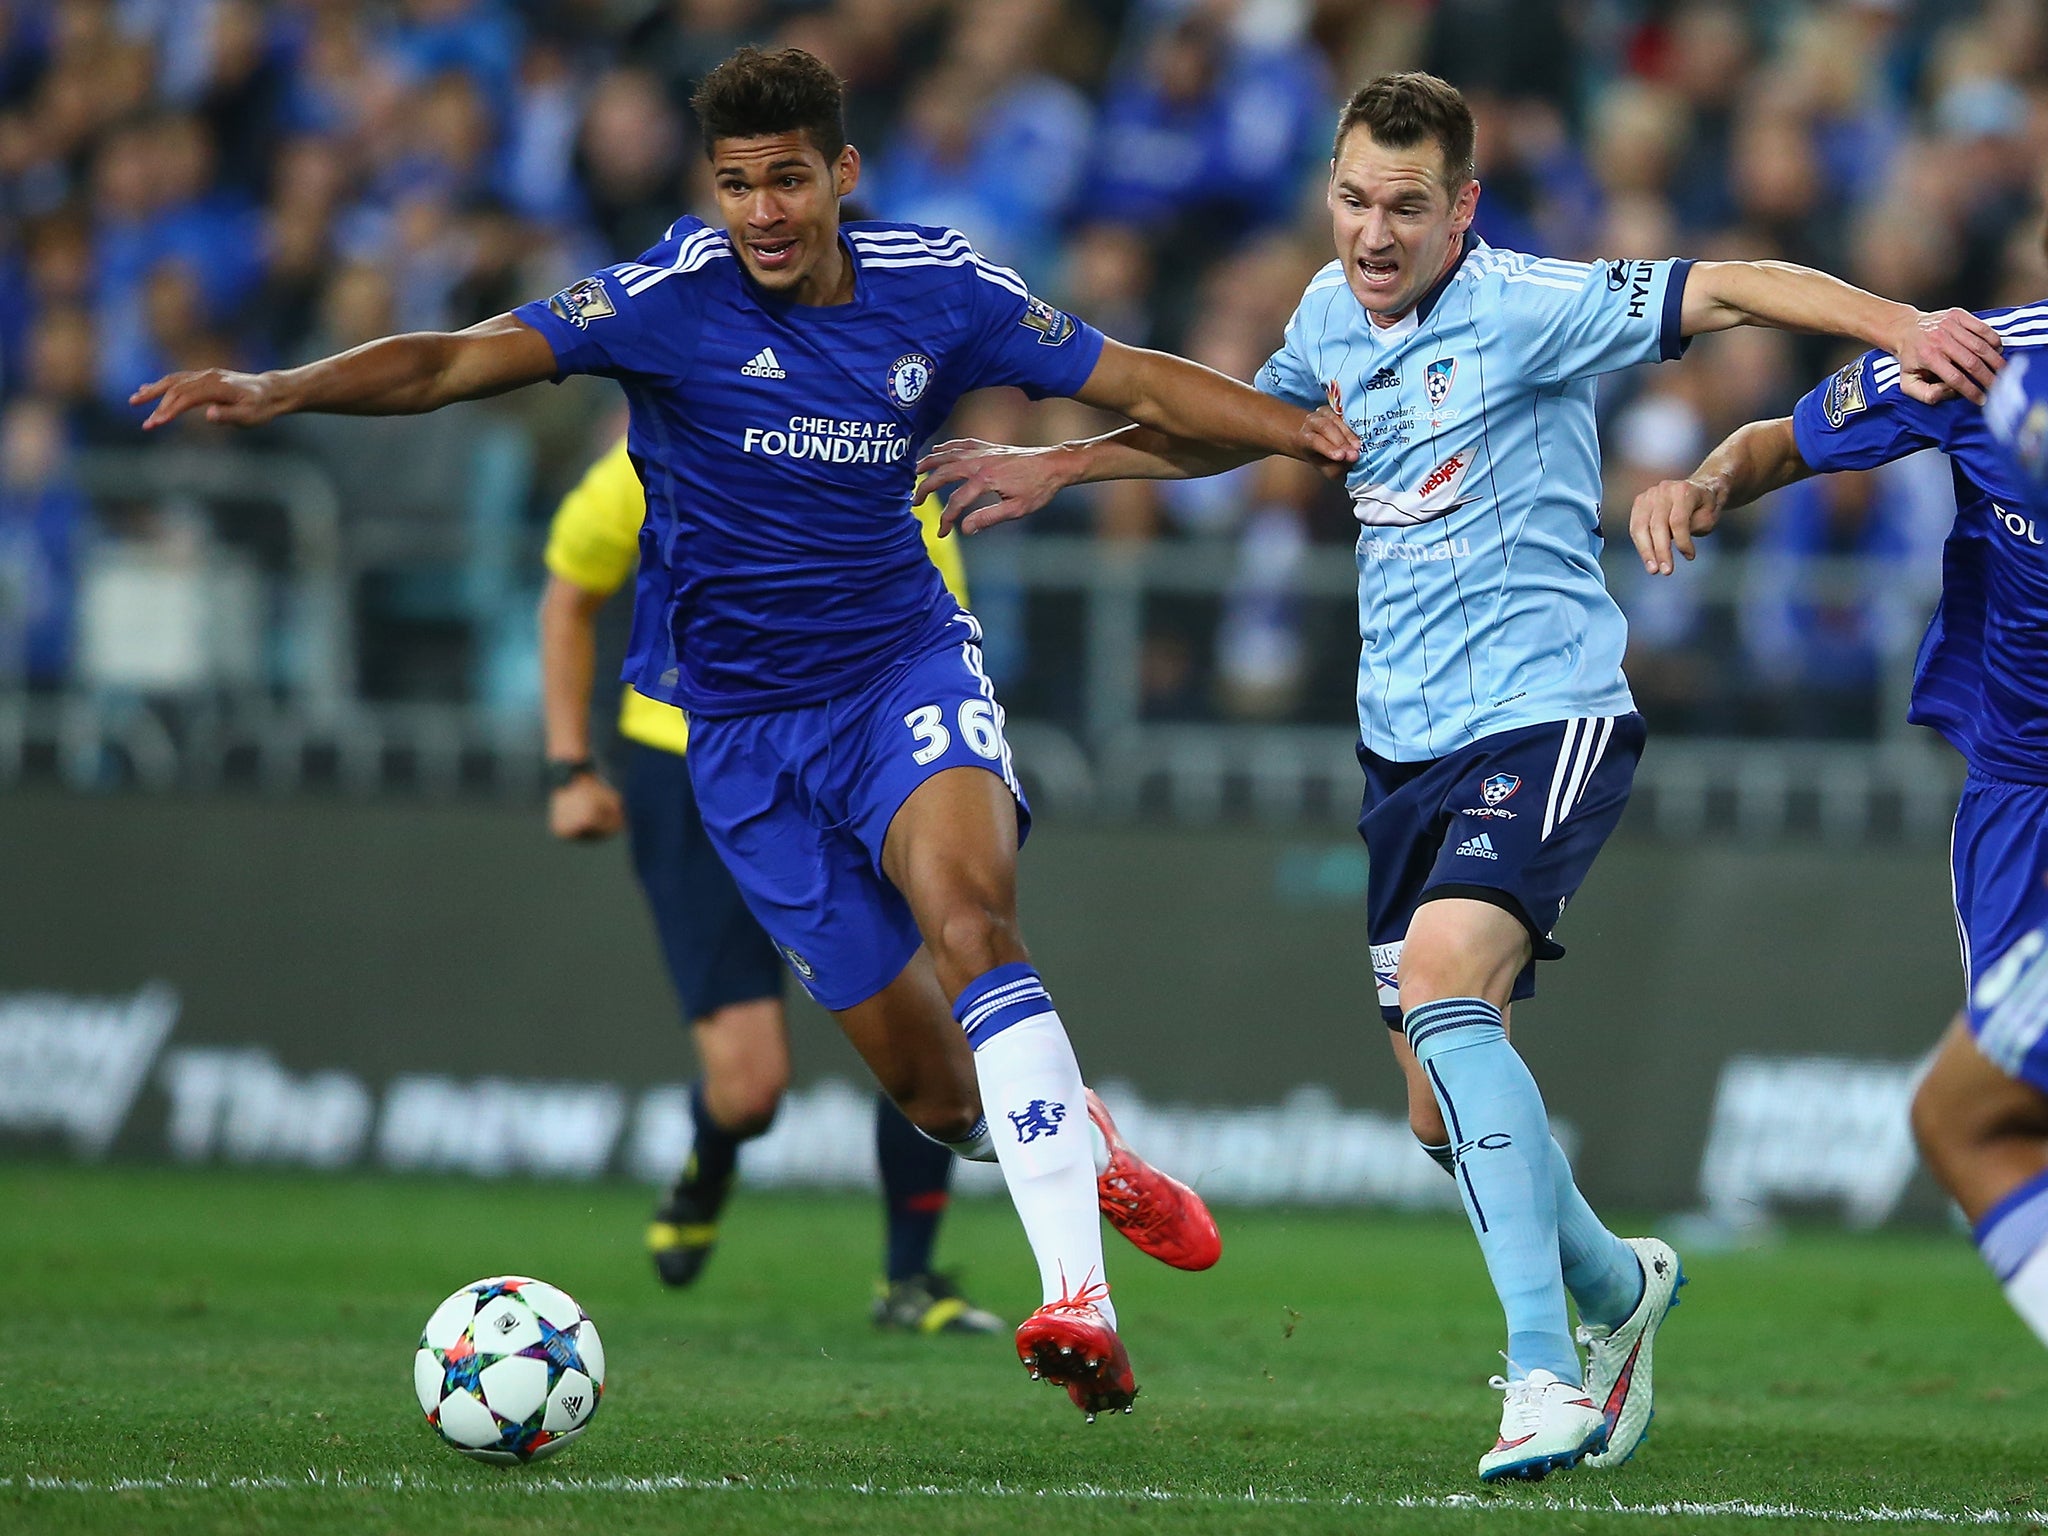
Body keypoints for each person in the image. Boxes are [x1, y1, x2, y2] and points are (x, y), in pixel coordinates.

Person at [132, 45, 1357, 1419]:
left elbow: (1131, 375)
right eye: (735, 186)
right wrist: (286, 386)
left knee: (971, 925)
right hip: (740, 740)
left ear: (840, 175)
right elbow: (456, 363)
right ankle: (1091, 1150)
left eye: (786, 179)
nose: (762, 212)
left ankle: (1075, 1293)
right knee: (937, 1097)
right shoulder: (668, 298)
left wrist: (1310, 434)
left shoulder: (939, 286)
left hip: (901, 673)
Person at [917, 71, 2000, 1478]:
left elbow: (1732, 285)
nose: (1374, 232)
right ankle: (1618, 1285)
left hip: (1545, 718)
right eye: (1355, 199)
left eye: (1406, 208)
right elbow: (1237, 425)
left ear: (1461, 210)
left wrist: (1902, 321)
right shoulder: (1323, 309)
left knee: (1442, 988)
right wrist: (1067, 464)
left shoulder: (1530, 304)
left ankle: (1547, 1374)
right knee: (1437, 1104)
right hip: (1402, 751)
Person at [1630, 297, 2048, 1352]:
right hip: (2020, 801)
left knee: (1965, 1118)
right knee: (1994, 1110)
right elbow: (1776, 443)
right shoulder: (1976, 362)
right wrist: (1704, 485)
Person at [540, 435, 999, 1334]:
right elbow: (569, 590)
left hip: (855, 763)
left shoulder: (885, 460)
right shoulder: (665, 451)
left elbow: (940, 625)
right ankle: (713, 1156)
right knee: (751, 1088)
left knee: (934, 1013)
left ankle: (909, 1281)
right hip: (692, 768)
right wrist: (568, 766)